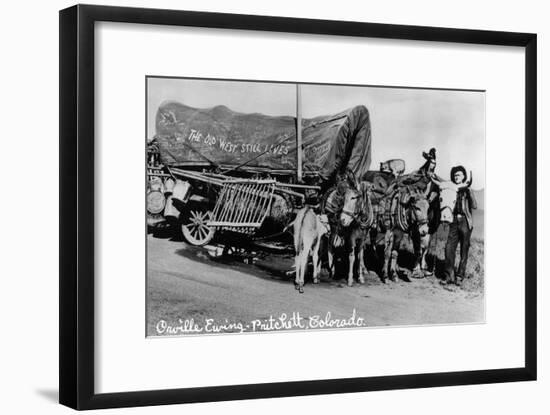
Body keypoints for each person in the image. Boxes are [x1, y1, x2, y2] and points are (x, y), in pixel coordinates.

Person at [442, 165, 477, 285]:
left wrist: (470, 192)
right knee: (449, 248)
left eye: (459, 175)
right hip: (453, 221)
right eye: (455, 175)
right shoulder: (451, 189)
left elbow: (474, 206)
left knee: (464, 249)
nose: (456, 177)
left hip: (465, 222)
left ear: (463, 176)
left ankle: (460, 276)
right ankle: (449, 276)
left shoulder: (467, 189)